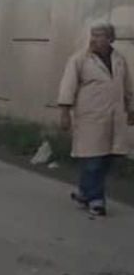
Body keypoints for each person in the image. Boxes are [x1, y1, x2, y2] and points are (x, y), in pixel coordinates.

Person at [57, 22, 134, 216]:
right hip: (91, 117)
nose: (95, 39)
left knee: (107, 157)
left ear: (110, 39)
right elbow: (68, 86)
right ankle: (96, 199)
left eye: (100, 35)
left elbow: (127, 87)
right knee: (92, 158)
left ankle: (84, 192)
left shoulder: (119, 59)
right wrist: (65, 112)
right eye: (93, 35)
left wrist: (131, 110)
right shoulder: (79, 59)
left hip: (114, 118)